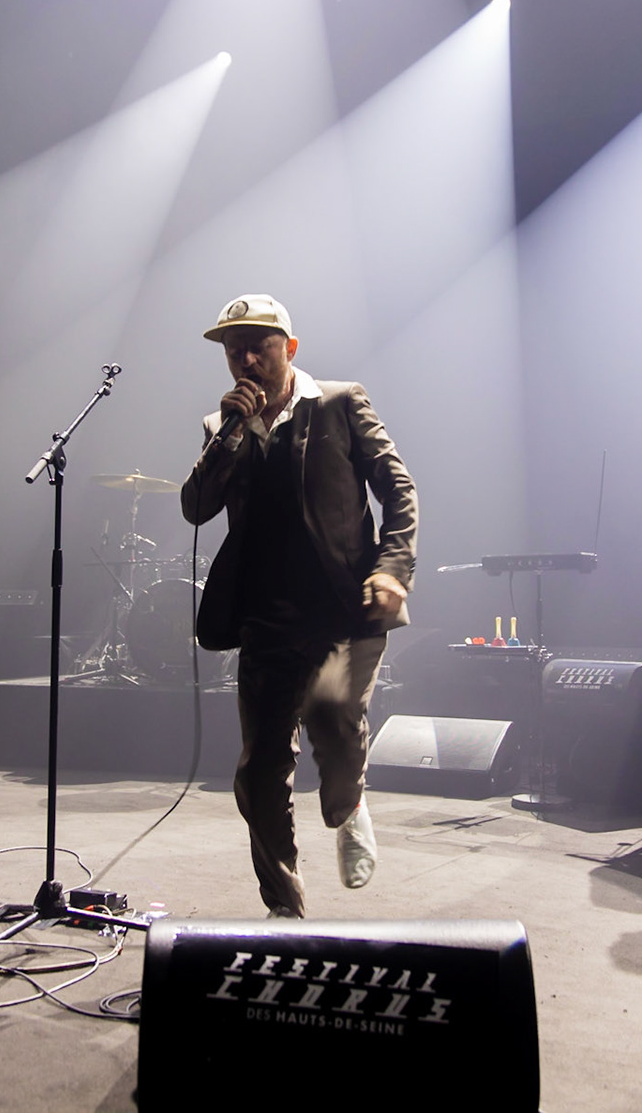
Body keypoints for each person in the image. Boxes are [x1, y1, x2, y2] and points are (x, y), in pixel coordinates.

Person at [181, 294, 417, 918]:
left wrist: (392, 569)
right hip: (266, 620)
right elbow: (195, 507)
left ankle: (348, 807)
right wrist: (230, 435)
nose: (246, 359)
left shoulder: (339, 403)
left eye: (259, 345)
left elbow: (399, 490)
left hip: (344, 612)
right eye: (234, 350)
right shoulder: (219, 427)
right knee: (259, 775)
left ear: (288, 349)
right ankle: (284, 909)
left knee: (335, 727)